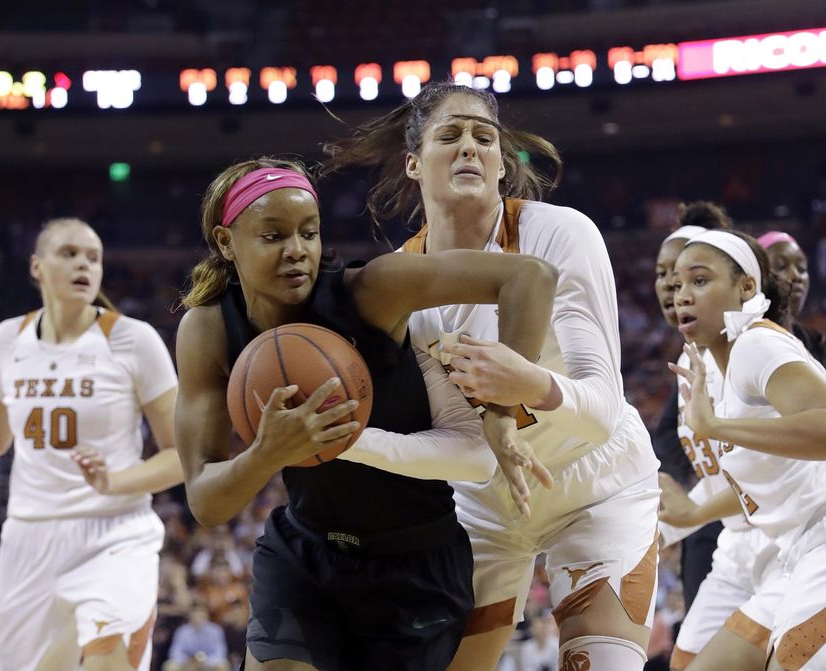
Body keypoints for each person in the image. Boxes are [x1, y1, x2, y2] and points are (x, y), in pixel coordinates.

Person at [322, 81, 661, 671]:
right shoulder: (398, 282)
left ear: (503, 162)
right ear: (413, 163)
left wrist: (530, 385)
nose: (470, 148)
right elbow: (470, 450)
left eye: (485, 137)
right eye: (449, 136)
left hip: (594, 484)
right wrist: (351, 441)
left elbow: (604, 406)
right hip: (483, 506)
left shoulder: (561, 233)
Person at [174, 158, 559, 671]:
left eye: (309, 234)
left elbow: (530, 276)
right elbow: (205, 503)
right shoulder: (208, 328)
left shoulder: (372, 289)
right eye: (272, 236)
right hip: (305, 551)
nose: (297, 251)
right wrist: (267, 455)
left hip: (412, 560)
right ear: (226, 242)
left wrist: (503, 411)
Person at [0, 217, 184, 670]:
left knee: (106, 653)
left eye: (93, 257)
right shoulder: (8, 339)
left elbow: (183, 455)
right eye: (69, 253)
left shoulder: (133, 339)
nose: (84, 264)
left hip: (115, 529)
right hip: (29, 536)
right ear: (36, 266)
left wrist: (115, 480)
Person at [660, 229, 826, 670]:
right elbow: (761, 482)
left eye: (699, 281)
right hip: (790, 549)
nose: (681, 296)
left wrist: (714, 424)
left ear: (746, 287)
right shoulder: (717, 367)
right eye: (677, 285)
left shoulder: (756, 343)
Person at [651, 202, 732, 615]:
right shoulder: (689, 359)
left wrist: (690, 512)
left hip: (781, 535)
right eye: (664, 275)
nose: (672, 287)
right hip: (728, 533)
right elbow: (667, 437)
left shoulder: (749, 349)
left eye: (689, 278)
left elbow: (769, 474)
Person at [758, 230, 826, 366]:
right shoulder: (751, 340)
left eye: (801, 269)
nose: (796, 276)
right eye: (781, 267)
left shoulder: (815, 341)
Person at [163, 604, 231, 671]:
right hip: (187, 663)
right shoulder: (182, 631)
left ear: (206, 616)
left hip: (208, 663)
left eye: (201, 616)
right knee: (170, 666)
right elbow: (175, 651)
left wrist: (206, 661)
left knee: (223, 665)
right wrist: (188, 661)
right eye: (195, 615)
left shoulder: (216, 630)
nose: (198, 618)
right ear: (190, 616)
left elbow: (220, 652)